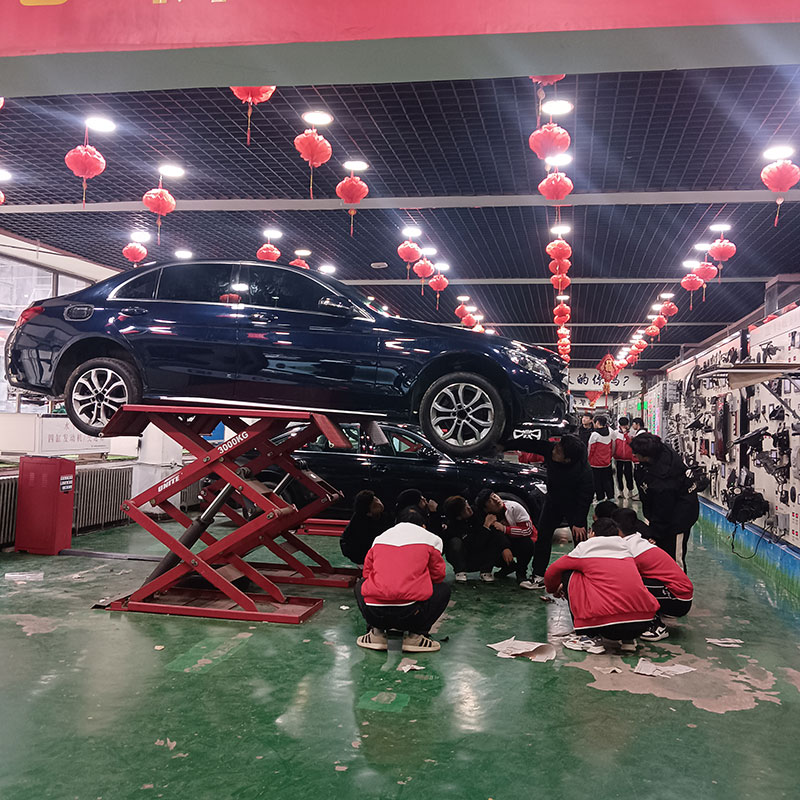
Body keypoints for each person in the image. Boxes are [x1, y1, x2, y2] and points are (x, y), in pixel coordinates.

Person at [544, 517, 660, 653]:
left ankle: (589, 637)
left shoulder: (585, 547)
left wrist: (553, 589)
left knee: (571, 574)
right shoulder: (626, 548)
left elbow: (552, 571)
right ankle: (628, 640)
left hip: (607, 627)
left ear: (592, 533)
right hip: (641, 624)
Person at [354, 507, 450, 653]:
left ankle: (376, 634)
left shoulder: (380, 538)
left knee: (361, 584)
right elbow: (438, 576)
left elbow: (367, 573)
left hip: (375, 614)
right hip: (411, 614)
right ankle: (415, 637)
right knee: (443, 588)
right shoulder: (431, 539)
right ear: (423, 526)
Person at [523, 434, 595, 587]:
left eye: (558, 451)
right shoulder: (553, 449)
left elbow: (586, 497)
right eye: (557, 446)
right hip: (553, 502)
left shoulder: (584, 471)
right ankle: (538, 575)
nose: (554, 450)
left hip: (574, 506)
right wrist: (503, 445)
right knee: (543, 536)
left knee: (580, 540)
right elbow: (529, 445)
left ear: (567, 459)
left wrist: (579, 522)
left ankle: (586, 577)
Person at [612, 507, 693, 641]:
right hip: (678, 595)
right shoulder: (636, 539)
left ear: (617, 529)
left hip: (678, 599)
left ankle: (655, 626)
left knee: (626, 584)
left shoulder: (630, 549)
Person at [630, 432, 699, 571]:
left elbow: (663, 511)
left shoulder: (664, 481)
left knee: (675, 560)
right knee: (660, 554)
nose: (634, 456)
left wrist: (655, 533)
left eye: (636, 454)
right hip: (660, 512)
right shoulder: (660, 451)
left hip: (678, 521)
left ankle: (679, 583)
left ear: (646, 456)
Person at [475, 489, 537, 589]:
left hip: (521, 540)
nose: (496, 500)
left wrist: (505, 529)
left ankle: (521, 573)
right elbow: (481, 540)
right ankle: (507, 567)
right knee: (489, 542)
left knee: (527, 543)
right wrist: (487, 525)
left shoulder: (514, 507)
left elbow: (528, 530)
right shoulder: (485, 516)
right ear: (486, 509)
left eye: (494, 496)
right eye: (490, 501)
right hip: (503, 544)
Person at [442, 495, 510, 583]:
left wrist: (505, 547)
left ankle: (486, 571)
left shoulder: (478, 512)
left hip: (483, 556)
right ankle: (460, 572)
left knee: (496, 537)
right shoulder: (453, 527)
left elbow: (496, 532)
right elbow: (474, 544)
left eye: (467, 504)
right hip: (466, 558)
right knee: (454, 542)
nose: (469, 508)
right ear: (459, 517)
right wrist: (485, 526)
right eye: (464, 509)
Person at [340, 490, 390, 566]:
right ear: (368, 513)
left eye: (377, 499)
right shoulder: (359, 526)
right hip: (362, 556)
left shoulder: (385, 515)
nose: (379, 504)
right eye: (374, 506)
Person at [588, 415, 615, 501]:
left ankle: (600, 498)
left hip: (595, 463)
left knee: (597, 481)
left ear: (597, 423)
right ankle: (611, 497)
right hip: (606, 462)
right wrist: (610, 457)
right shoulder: (610, 432)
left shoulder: (594, 435)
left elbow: (591, 450)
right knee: (607, 480)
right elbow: (613, 446)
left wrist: (588, 460)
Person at [614, 417, 636, 499]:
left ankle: (630, 491)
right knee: (618, 475)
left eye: (625, 425)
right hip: (618, 458)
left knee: (629, 475)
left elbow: (631, 443)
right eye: (622, 425)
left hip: (628, 458)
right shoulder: (615, 433)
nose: (624, 427)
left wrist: (626, 434)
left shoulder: (631, 433)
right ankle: (620, 491)